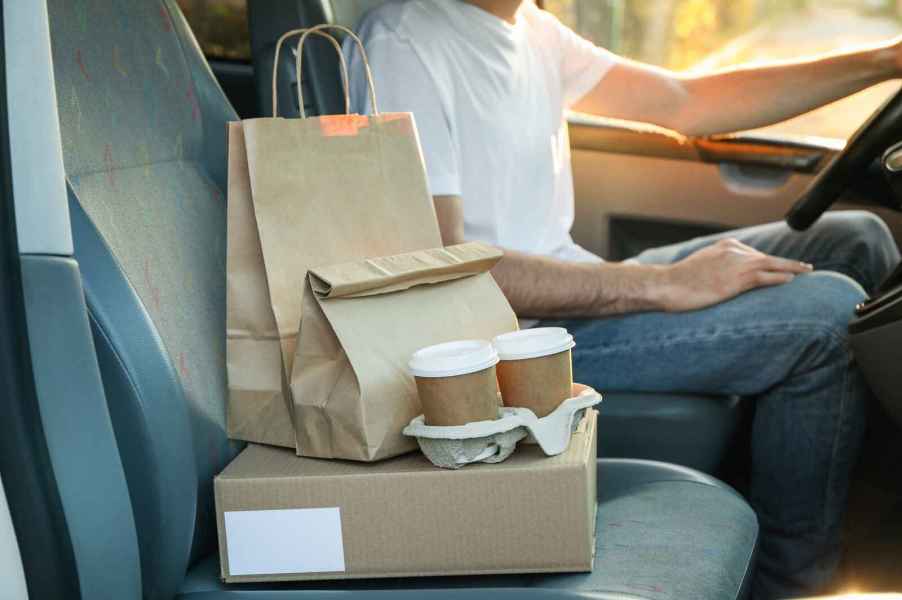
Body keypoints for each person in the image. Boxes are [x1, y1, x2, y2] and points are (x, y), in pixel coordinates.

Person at [344, 1, 902, 598]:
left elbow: (684, 103)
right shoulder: (402, 44)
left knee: (856, 239)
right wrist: (660, 286)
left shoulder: (531, 29)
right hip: (506, 350)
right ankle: (792, 585)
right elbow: (441, 269)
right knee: (825, 319)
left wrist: (883, 61)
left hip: (565, 300)